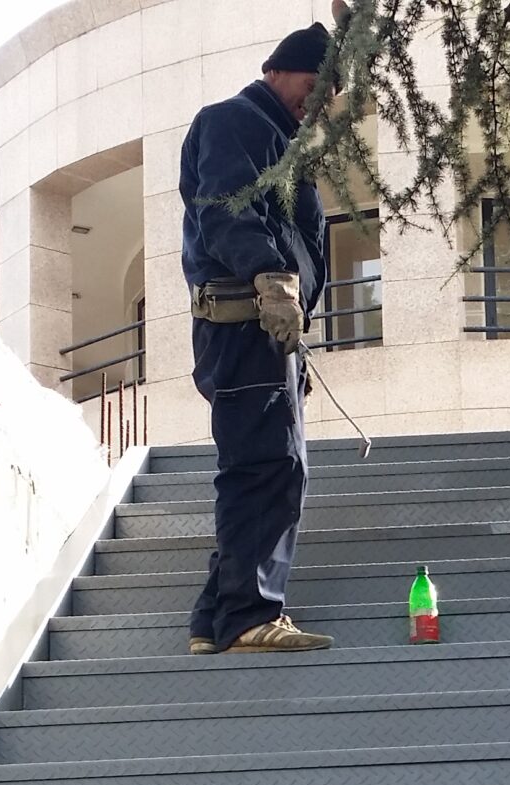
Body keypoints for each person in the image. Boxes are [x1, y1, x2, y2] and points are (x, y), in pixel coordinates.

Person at [178, 23, 335, 655]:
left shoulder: (275, 138)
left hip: (261, 330)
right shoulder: (234, 121)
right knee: (270, 468)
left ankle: (213, 619)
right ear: (277, 70)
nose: (316, 101)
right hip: (248, 323)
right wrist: (270, 275)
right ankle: (249, 614)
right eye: (312, 84)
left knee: (257, 466)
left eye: (328, 93)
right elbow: (226, 207)